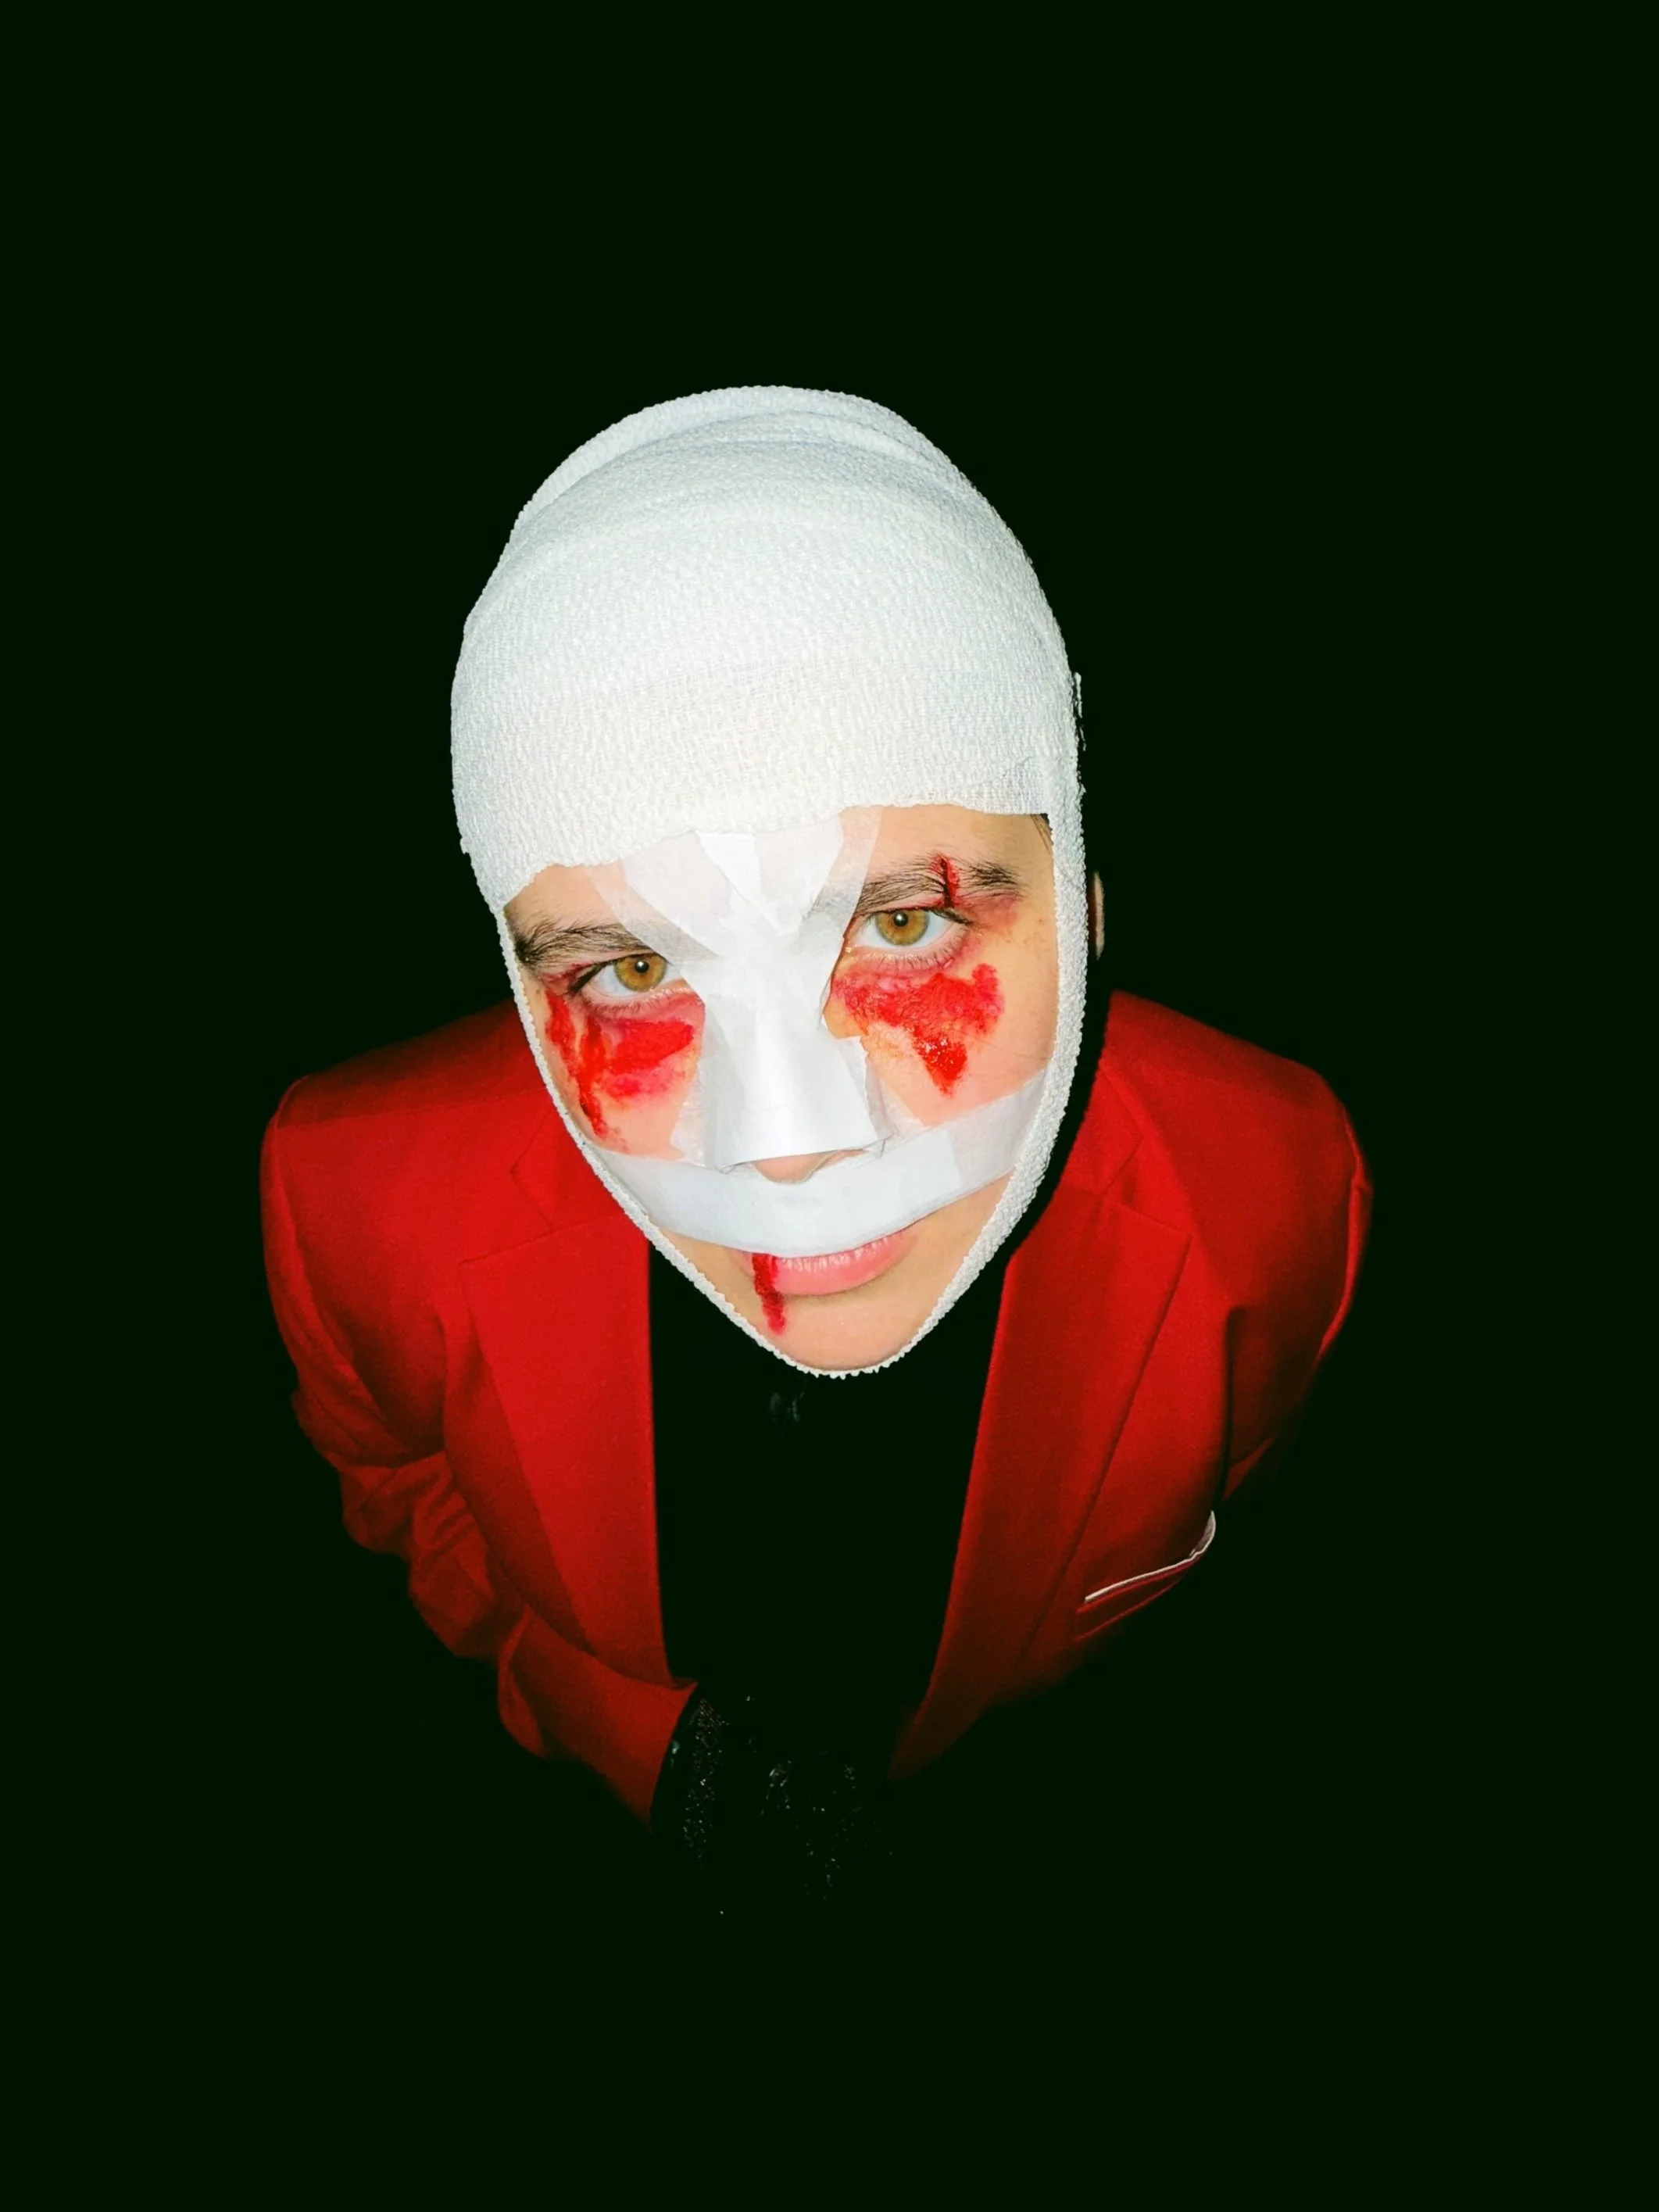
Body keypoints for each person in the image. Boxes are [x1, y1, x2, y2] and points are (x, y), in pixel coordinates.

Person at [260, 387, 1370, 1913]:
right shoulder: (352, 1191)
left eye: (901, 928)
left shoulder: (1274, 1193)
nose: (785, 1145)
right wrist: (627, 1731)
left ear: (1088, 897)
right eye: (631, 972)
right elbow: (395, 1485)